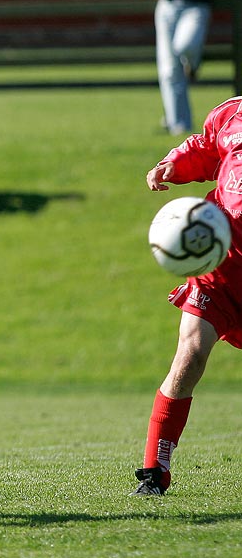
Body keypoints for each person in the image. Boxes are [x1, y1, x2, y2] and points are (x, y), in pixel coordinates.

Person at [133, 95, 242, 496]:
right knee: (191, 353)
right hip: (222, 267)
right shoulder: (233, 112)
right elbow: (206, 146)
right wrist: (174, 165)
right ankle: (154, 473)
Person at [147, 0, 217, 135]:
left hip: (196, 7)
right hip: (167, 8)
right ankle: (179, 125)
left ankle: (192, 67)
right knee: (169, 71)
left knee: (185, 46)